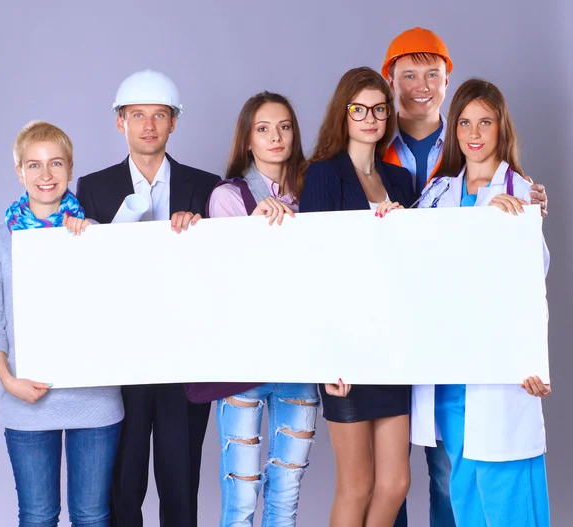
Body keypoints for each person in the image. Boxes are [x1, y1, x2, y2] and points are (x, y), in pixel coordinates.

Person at [380, 27, 549, 527]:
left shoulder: (518, 191)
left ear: (501, 130)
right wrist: (391, 220)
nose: (475, 134)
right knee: (456, 489)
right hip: (448, 370)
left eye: (486, 122)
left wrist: (513, 222)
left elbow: (532, 281)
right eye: (466, 124)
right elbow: (414, 262)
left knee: (504, 489)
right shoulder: (438, 193)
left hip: (496, 371)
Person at [76, 70, 220, 527]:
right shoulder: (93, 188)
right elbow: (87, 277)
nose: (149, 125)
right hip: (125, 360)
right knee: (124, 485)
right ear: (121, 122)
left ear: (174, 123)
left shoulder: (206, 185)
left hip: (185, 357)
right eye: (137, 115)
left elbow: (222, 273)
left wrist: (199, 230)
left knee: (181, 485)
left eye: (159, 115)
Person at [0, 121, 123, 527]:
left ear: (70, 168)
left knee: (92, 516)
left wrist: (97, 245)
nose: (46, 175)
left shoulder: (96, 235)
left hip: (95, 400)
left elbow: (119, 310)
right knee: (38, 516)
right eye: (34, 165)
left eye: (55, 163)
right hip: (27, 399)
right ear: (19, 171)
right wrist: (8, 380)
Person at [299, 67, 414, 527]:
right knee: (358, 485)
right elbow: (314, 267)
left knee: (395, 484)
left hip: (391, 346)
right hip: (346, 345)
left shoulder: (402, 180)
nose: (370, 117)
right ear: (343, 114)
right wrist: (328, 354)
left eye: (379, 109)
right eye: (359, 109)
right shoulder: (324, 175)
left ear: (388, 115)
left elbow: (417, 262)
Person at [205, 91, 319, 527]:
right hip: (245, 360)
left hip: (300, 357)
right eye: (264, 128)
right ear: (247, 140)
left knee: (286, 493)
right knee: (241, 493)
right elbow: (235, 278)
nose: (276, 137)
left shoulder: (318, 191)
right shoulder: (228, 196)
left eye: (285, 126)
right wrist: (258, 227)